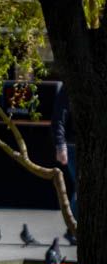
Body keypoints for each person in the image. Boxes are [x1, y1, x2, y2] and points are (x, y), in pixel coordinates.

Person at [53, 81, 77, 222]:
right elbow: (59, 116)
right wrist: (61, 145)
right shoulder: (71, 85)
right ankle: (73, 226)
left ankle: (73, 226)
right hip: (73, 144)